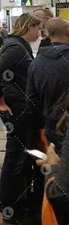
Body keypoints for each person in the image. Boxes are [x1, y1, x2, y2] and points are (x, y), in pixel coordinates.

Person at [0, 13, 42, 223]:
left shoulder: (16, 45)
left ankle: (18, 204)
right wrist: (0, 101)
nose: (39, 34)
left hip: (20, 105)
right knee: (15, 158)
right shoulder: (15, 47)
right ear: (29, 27)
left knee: (21, 158)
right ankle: (10, 207)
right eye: (37, 29)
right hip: (18, 108)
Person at [26, 17, 69, 149]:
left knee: (56, 160)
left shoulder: (36, 63)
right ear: (68, 31)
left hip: (52, 126)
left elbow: (31, 99)